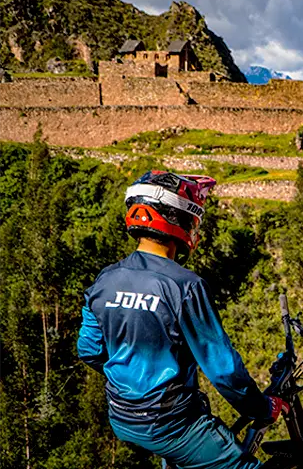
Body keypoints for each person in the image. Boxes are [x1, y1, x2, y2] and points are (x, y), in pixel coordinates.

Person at [77, 170, 287, 469]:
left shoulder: (105, 280)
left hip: (121, 415)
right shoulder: (185, 286)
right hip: (170, 423)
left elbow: (89, 350)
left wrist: (135, 380)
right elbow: (224, 370)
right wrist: (261, 406)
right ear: (181, 221)